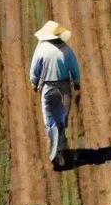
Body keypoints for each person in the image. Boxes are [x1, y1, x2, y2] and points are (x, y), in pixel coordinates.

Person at [29, 20, 81, 169]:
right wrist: (77, 83)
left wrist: (34, 82)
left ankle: (55, 154)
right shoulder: (67, 50)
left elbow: (34, 70)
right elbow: (75, 70)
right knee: (61, 121)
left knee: (50, 122)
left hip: (48, 89)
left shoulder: (41, 50)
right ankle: (61, 149)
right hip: (64, 89)